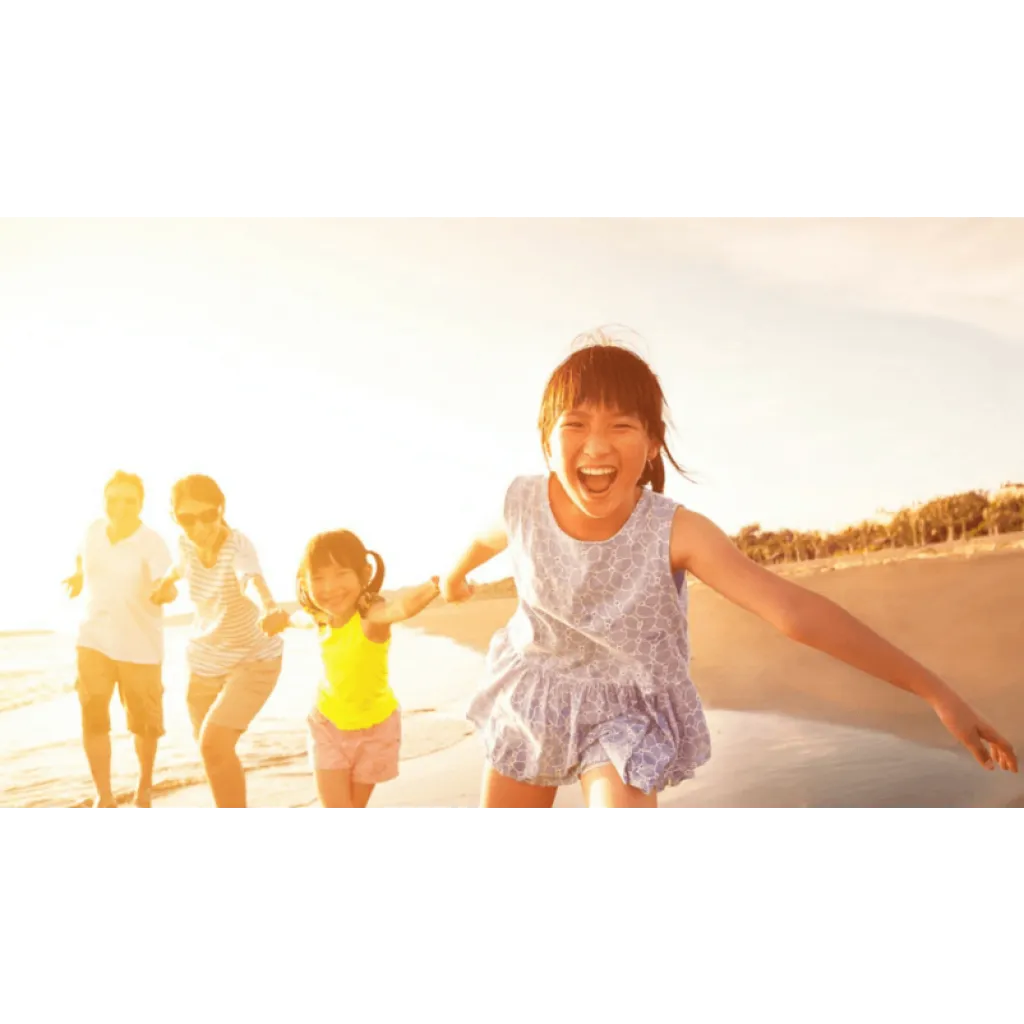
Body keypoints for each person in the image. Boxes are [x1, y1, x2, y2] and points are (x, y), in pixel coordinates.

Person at [441, 333, 1019, 808]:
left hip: (625, 710)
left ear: (651, 445)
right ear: (546, 443)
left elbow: (796, 614)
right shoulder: (522, 503)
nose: (596, 444)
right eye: (575, 424)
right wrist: (453, 578)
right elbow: (480, 539)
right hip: (536, 691)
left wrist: (936, 692)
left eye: (622, 425)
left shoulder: (675, 530)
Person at [150, 474, 289, 808]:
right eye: (186, 518)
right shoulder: (185, 544)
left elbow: (249, 579)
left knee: (213, 743)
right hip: (204, 660)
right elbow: (178, 568)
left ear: (221, 509)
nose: (197, 526)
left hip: (254, 657)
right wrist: (163, 585)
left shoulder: (237, 546)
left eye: (207, 515)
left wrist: (269, 605)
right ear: (174, 517)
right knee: (211, 751)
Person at [278, 529, 440, 807]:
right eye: (318, 578)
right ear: (304, 583)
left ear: (364, 574)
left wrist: (435, 586)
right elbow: (297, 618)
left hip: (377, 730)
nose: (329, 587)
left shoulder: (371, 617)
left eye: (341, 573)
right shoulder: (320, 618)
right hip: (328, 724)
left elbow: (400, 608)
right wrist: (280, 619)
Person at [64, 471, 172, 808]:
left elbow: (166, 581)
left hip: (140, 647)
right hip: (93, 639)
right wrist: (80, 576)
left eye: (129, 500)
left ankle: (144, 788)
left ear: (141, 504)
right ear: (104, 500)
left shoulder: (151, 541)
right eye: (114, 499)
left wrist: (163, 591)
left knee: (144, 726)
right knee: (93, 717)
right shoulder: (93, 530)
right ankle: (104, 796)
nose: (120, 506)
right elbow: (82, 555)